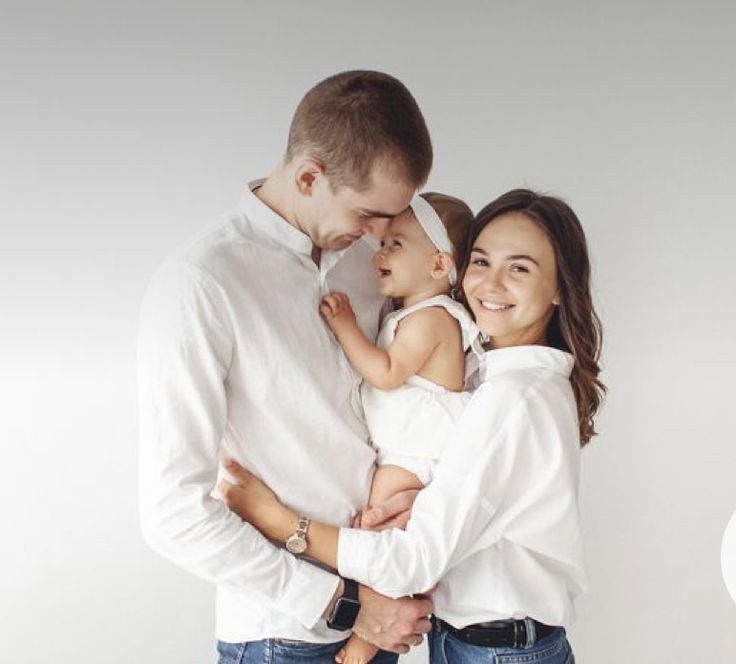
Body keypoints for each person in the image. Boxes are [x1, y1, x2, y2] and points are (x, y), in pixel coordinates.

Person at [219, 189, 606, 663]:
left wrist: (277, 521)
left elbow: (413, 561)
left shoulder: (513, 397)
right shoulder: (490, 374)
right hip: (479, 642)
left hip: (499, 649)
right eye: (482, 261)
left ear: (558, 288)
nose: (490, 283)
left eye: (519, 268)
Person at [137, 70, 436, 664]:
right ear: (308, 177)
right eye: (371, 214)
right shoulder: (202, 283)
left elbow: (414, 401)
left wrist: (417, 500)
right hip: (284, 637)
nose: (383, 236)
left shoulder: (368, 267)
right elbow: (172, 513)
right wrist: (339, 603)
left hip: (383, 624)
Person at [318, 192, 476, 664]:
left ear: (438, 264)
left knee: (386, 537)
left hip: (417, 455)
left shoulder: (434, 319)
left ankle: (367, 638)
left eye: (396, 244)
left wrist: (346, 326)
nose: (380, 253)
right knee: (387, 533)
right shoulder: (413, 314)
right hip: (407, 450)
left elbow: (386, 371)